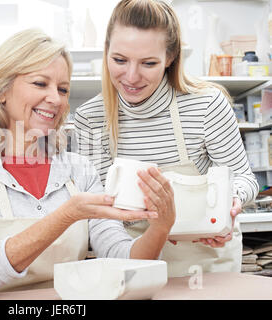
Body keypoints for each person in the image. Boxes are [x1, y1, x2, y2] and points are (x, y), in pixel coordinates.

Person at [0, 28, 176, 296]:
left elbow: (123, 260)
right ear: (2, 90)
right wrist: (66, 215)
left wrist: (160, 227)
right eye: (40, 84)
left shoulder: (79, 171)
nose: (55, 99)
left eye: (63, 89)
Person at [74, 0, 259, 277]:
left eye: (148, 63)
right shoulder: (91, 119)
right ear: (106, 52)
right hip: (134, 263)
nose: (131, 77)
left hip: (206, 261)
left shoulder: (206, 104)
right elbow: (103, 212)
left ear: (170, 57)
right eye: (119, 60)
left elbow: (243, 178)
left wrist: (227, 209)